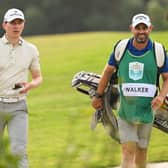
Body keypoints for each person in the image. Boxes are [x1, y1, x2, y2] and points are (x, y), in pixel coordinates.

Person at [92, 13, 168, 168]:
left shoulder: (158, 51)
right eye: (137, 28)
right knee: (127, 150)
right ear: (132, 29)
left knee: (141, 150)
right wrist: (98, 95)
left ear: (150, 29)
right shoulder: (121, 48)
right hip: (125, 109)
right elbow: (107, 72)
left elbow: (167, 77)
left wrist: (161, 96)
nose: (141, 31)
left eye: (144, 28)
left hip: (147, 111)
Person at [0, 8, 42, 168]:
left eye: (19, 22)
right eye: (12, 23)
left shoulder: (31, 50)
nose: (16, 26)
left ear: (23, 25)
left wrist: (31, 84)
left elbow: (38, 77)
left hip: (18, 105)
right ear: (4, 25)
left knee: (19, 151)